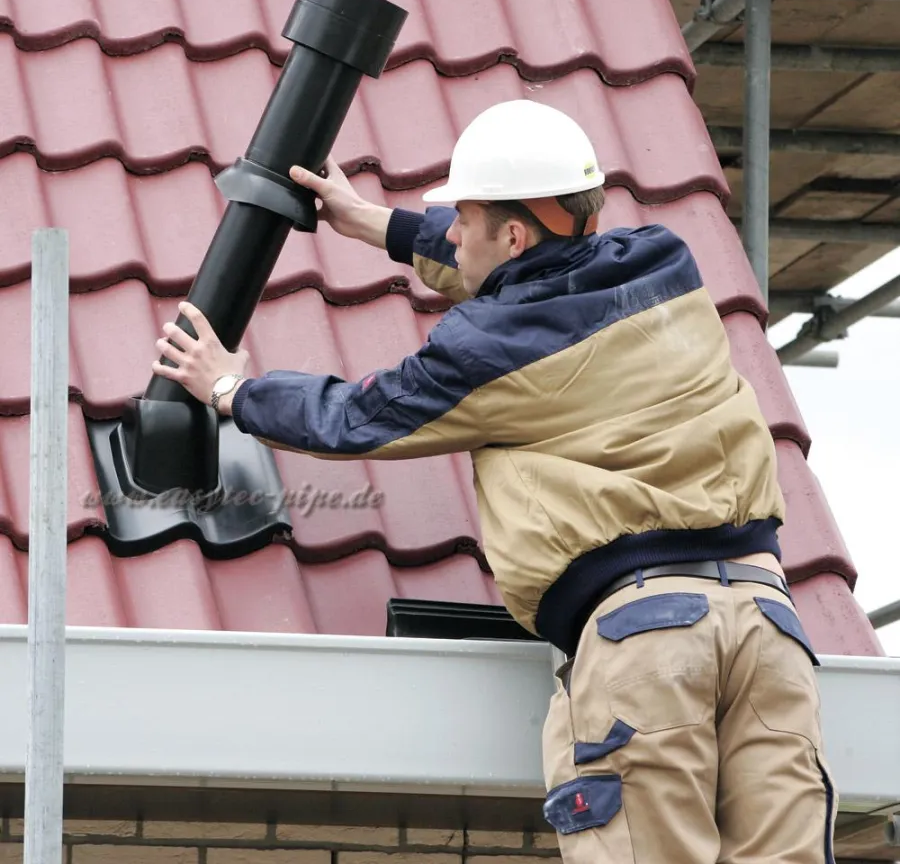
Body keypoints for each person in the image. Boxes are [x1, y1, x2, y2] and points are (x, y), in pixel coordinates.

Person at [153, 99, 837, 863]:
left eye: (463, 218)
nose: (446, 231)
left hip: (649, 640)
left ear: (512, 233)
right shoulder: (662, 263)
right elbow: (533, 280)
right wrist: (371, 221)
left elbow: (358, 418)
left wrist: (231, 391)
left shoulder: (487, 348)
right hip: (768, 626)